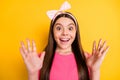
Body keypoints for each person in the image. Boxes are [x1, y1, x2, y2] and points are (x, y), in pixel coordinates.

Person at [19, 1, 109, 80]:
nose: (65, 33)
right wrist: (32, 73)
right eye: (59, 28)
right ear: (52, 32)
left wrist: (95, 70)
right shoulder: (38, 60)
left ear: (76, 32)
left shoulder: (88, 59)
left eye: (70, 28)